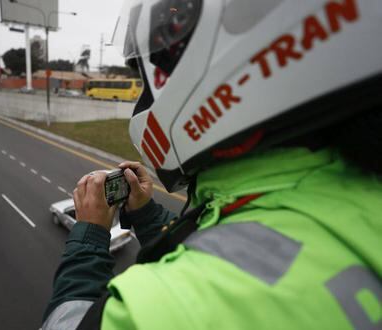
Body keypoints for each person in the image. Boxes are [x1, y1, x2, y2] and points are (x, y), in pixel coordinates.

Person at [43, 0, 382, 329]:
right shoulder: (357, 189)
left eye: (147, 85)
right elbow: (229, 241)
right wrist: (146, 213)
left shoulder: (173, 305)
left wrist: (90, 234)